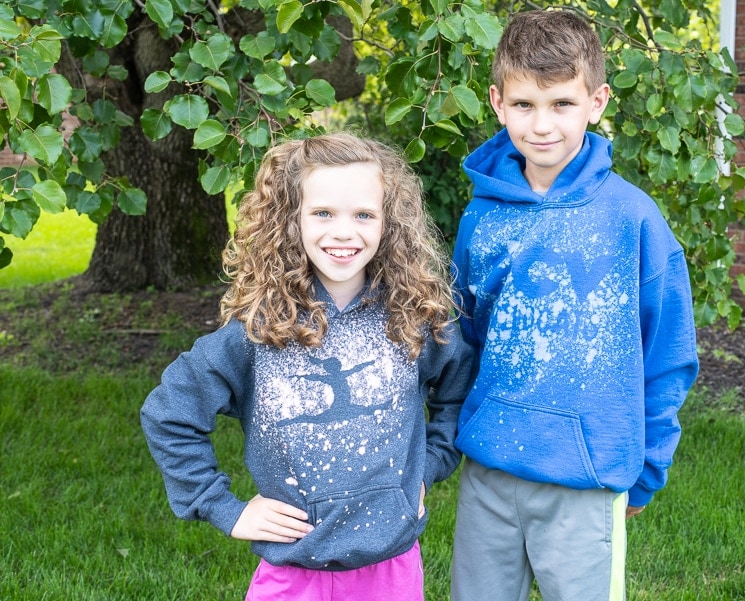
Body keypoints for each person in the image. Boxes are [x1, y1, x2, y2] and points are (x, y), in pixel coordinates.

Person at [141, 132, 474, 601]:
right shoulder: (258, 329)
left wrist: (428, 465)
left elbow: (458, 391)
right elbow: (169, 413)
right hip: (292, 572)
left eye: (363, 214)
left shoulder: (415, 316)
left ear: (389, 222)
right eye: (323, 213)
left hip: (391, 569)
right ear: (290, 220)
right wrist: (221, 507)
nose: (343, 232)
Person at [449, 10, 700, 601]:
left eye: (561, 104)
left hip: (586, 477)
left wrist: (648, 467)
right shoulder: (481, 218)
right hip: (489, 469)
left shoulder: (632, 218)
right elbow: (462, 340)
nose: (542, 125)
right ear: (496, 102)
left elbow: (666, 353)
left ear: (597, 101)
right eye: (524, 105)